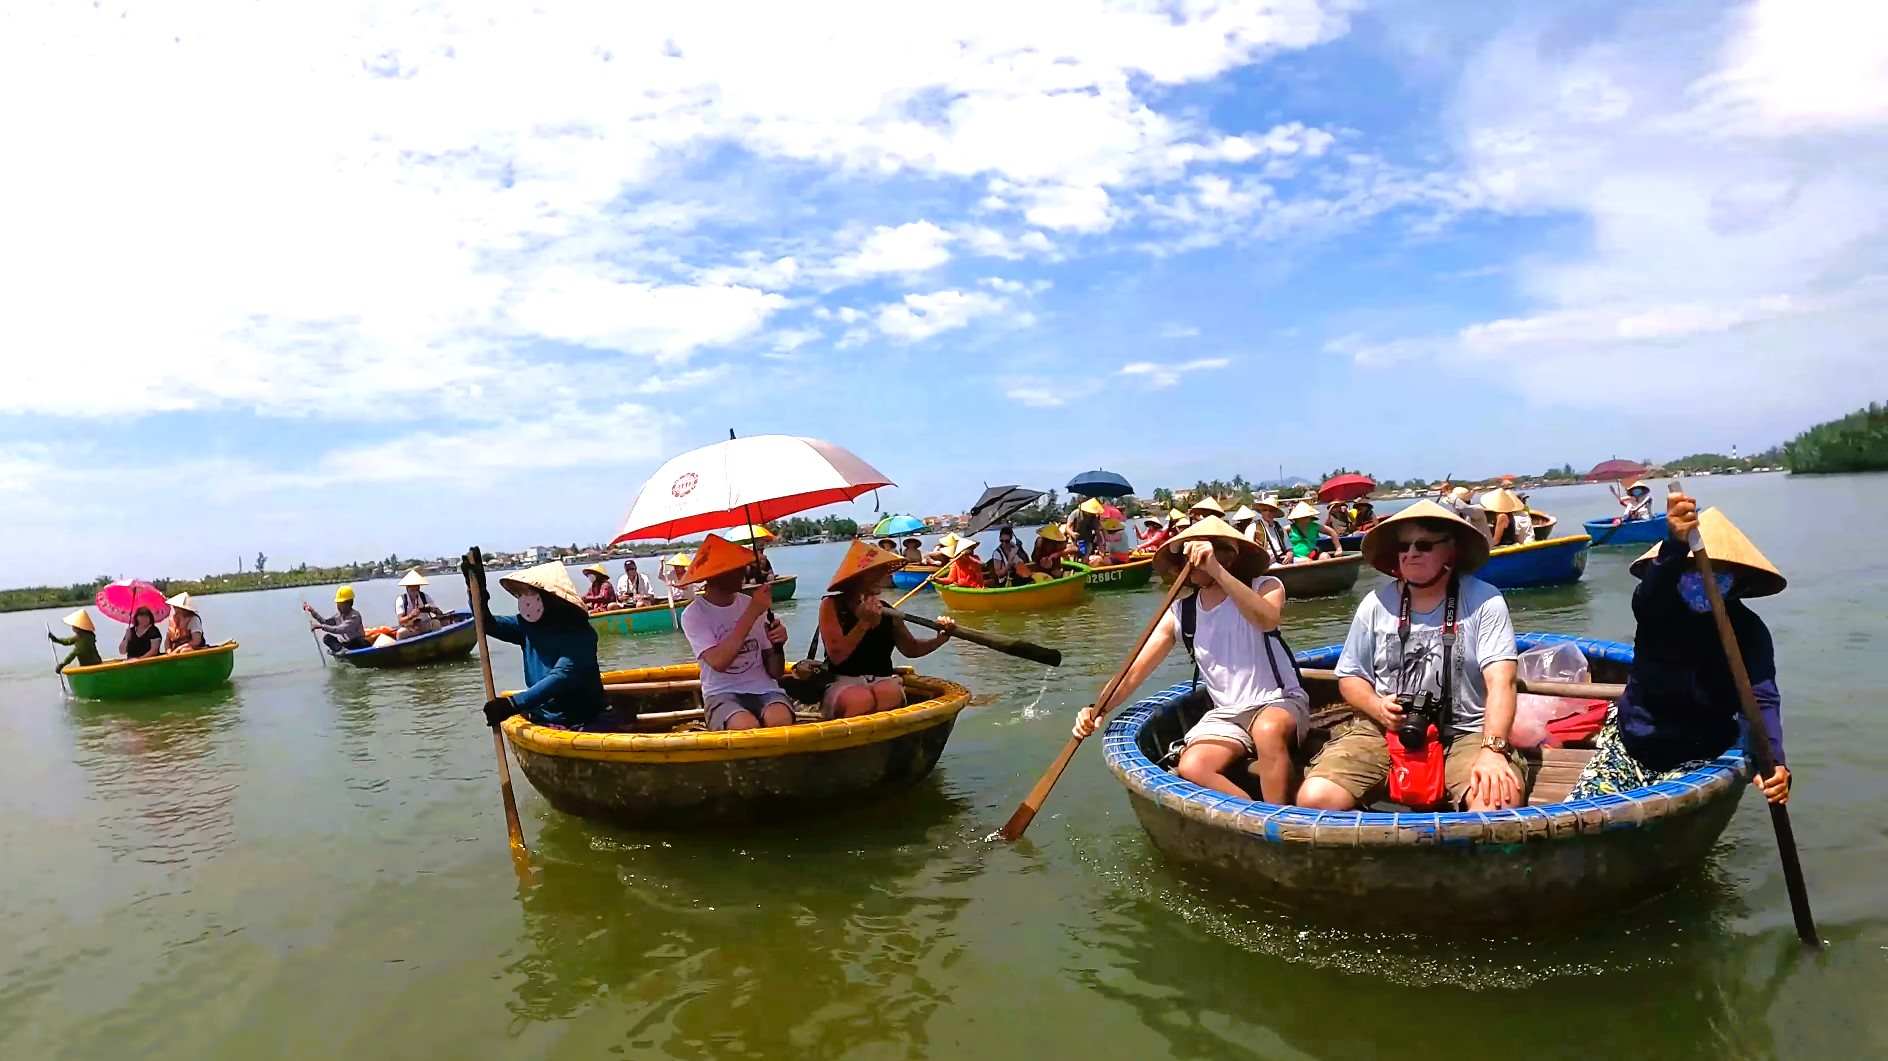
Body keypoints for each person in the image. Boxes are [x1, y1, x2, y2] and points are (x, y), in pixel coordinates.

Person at [1296, 500, 1525, 813]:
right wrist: (1377, 707)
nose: (1411, 553)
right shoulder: (1376, 603)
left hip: (1466, 733)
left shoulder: (1485, 601)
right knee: (1315, 797)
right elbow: (1350, 677)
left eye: (1424, 545)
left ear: (1451, 550)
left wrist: (1493, 749)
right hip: (1385, 730)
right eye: (1404, 546)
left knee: (1496, 802)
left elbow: (1502, 682)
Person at [1569, 492, 1792, 804]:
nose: (1702, 578)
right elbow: (1652, 590)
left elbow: (1761, 699)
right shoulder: (1658, 608)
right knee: (1586, 804)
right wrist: (1675, 543)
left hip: (1701, 753)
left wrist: (1775, 761)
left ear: (1737, 581)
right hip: (1634, 741)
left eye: (1716, 571)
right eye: (1692, 569)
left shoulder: (1747, 631)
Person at [1072, 516, 1309, 803]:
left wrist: (1216, 570)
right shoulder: (1182, 611)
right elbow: (1134, 670)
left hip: (1278, 701)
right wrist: (1097, 708)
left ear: (1228, 557)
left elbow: (1267, 620)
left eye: (1198, 554)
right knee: (1193, 766)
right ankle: (1253, 814)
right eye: (1186, 557)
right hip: (1227, 714)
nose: (1190, 562)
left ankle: (1278, 814)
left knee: (1267, 731)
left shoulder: (1265, 586)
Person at [818, 542, 956, 718]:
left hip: (882, 680)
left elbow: (911, 649)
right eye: (878, 571)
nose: (885, 576)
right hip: (843, 681)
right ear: (860, 576)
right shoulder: (832, 605)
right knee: (858, 699)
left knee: (888, 692)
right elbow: (837, 655)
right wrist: (863, 624)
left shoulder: (887, 610)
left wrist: (940, 639)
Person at [474, 560, 612, 731]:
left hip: (579, 718)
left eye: (531, 593)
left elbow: (561, 676)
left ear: (551, 597)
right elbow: (487, 624)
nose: (525, 599)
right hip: (541, 714)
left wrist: (513, 703)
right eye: (522, 594)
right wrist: (477, 591)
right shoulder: (526, 626)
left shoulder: (580, 633)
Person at [679, 534, 794, 730]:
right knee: (745, 726)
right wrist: (752, 613)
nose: (743, 572)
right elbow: (719, 662)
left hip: (764, 689)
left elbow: (775, 671)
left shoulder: (752, 604)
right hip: (721, 693)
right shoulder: (694, 614)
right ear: (715, 575)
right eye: (734, 568)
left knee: (780, 720)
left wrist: (778, 645)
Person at [305, 585, 370, 654]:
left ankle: (346, 652)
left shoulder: (354, 616)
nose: (338, 606)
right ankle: (342, 650)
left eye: (341, 604)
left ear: (349, 603)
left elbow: (341, 629)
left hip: (358, 644)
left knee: (359, 641)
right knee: (327, 638)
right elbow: (325, 622)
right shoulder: (338, 615)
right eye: (338, 604)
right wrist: (312, 611)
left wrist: (321, 626)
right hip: (346, 644)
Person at [394, 569, 445, 639]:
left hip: (425, 624)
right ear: (407, 588)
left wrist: (429, 609)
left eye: (416, 586)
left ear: (419, 587)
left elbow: (440, 613)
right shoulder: (401, 599)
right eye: (411, 587)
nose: (414, 589)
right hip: (411, 628)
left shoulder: (424, 597)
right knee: (400, 633)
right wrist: (411, 616)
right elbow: (400, 621)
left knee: (436, 623)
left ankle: (436, 641)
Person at [1253, 496, 1293, 565]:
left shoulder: (1280, 528)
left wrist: (1289, 554)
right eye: (1265, 510)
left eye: (1271, 510)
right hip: (1264, 565)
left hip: (1282, 562)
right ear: (1261, 512)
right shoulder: (1253, 528)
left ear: (1275, 513)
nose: (1268, 513)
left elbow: (1289, 548)